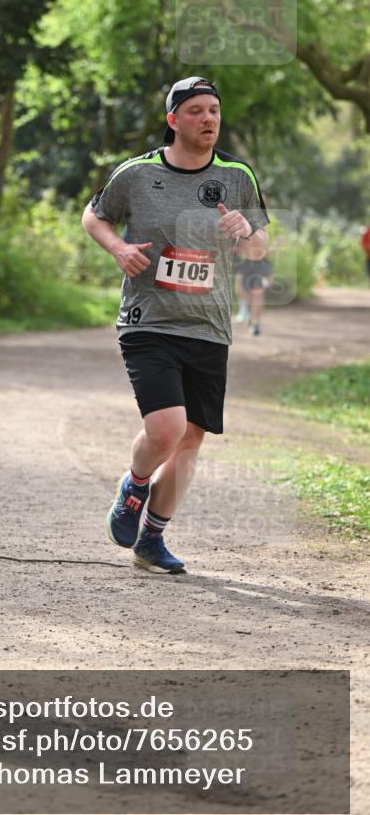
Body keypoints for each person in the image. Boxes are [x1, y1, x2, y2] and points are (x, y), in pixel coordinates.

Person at [82, 76, 269, 573]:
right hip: (148, 320)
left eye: (214, 110)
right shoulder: (137, 174)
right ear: (173, 120)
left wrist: (246, 230)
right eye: (195, 111)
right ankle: (134, 485)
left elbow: (259, 250)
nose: (208, 119)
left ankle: (152, 540)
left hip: (208, 326)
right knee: (165, 430)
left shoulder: (237, 176)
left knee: (190, 440)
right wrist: (118, 248)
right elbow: (94, 216)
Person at [235, 255, 273, 335]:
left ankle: (255, 323)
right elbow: (238, 279)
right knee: (251, 302)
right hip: (246, 283)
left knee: (257, 302)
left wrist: (265, 283)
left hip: (258, 283)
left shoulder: (266, 264)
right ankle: (249, 316)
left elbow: (270, 279)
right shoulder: (244, 264)